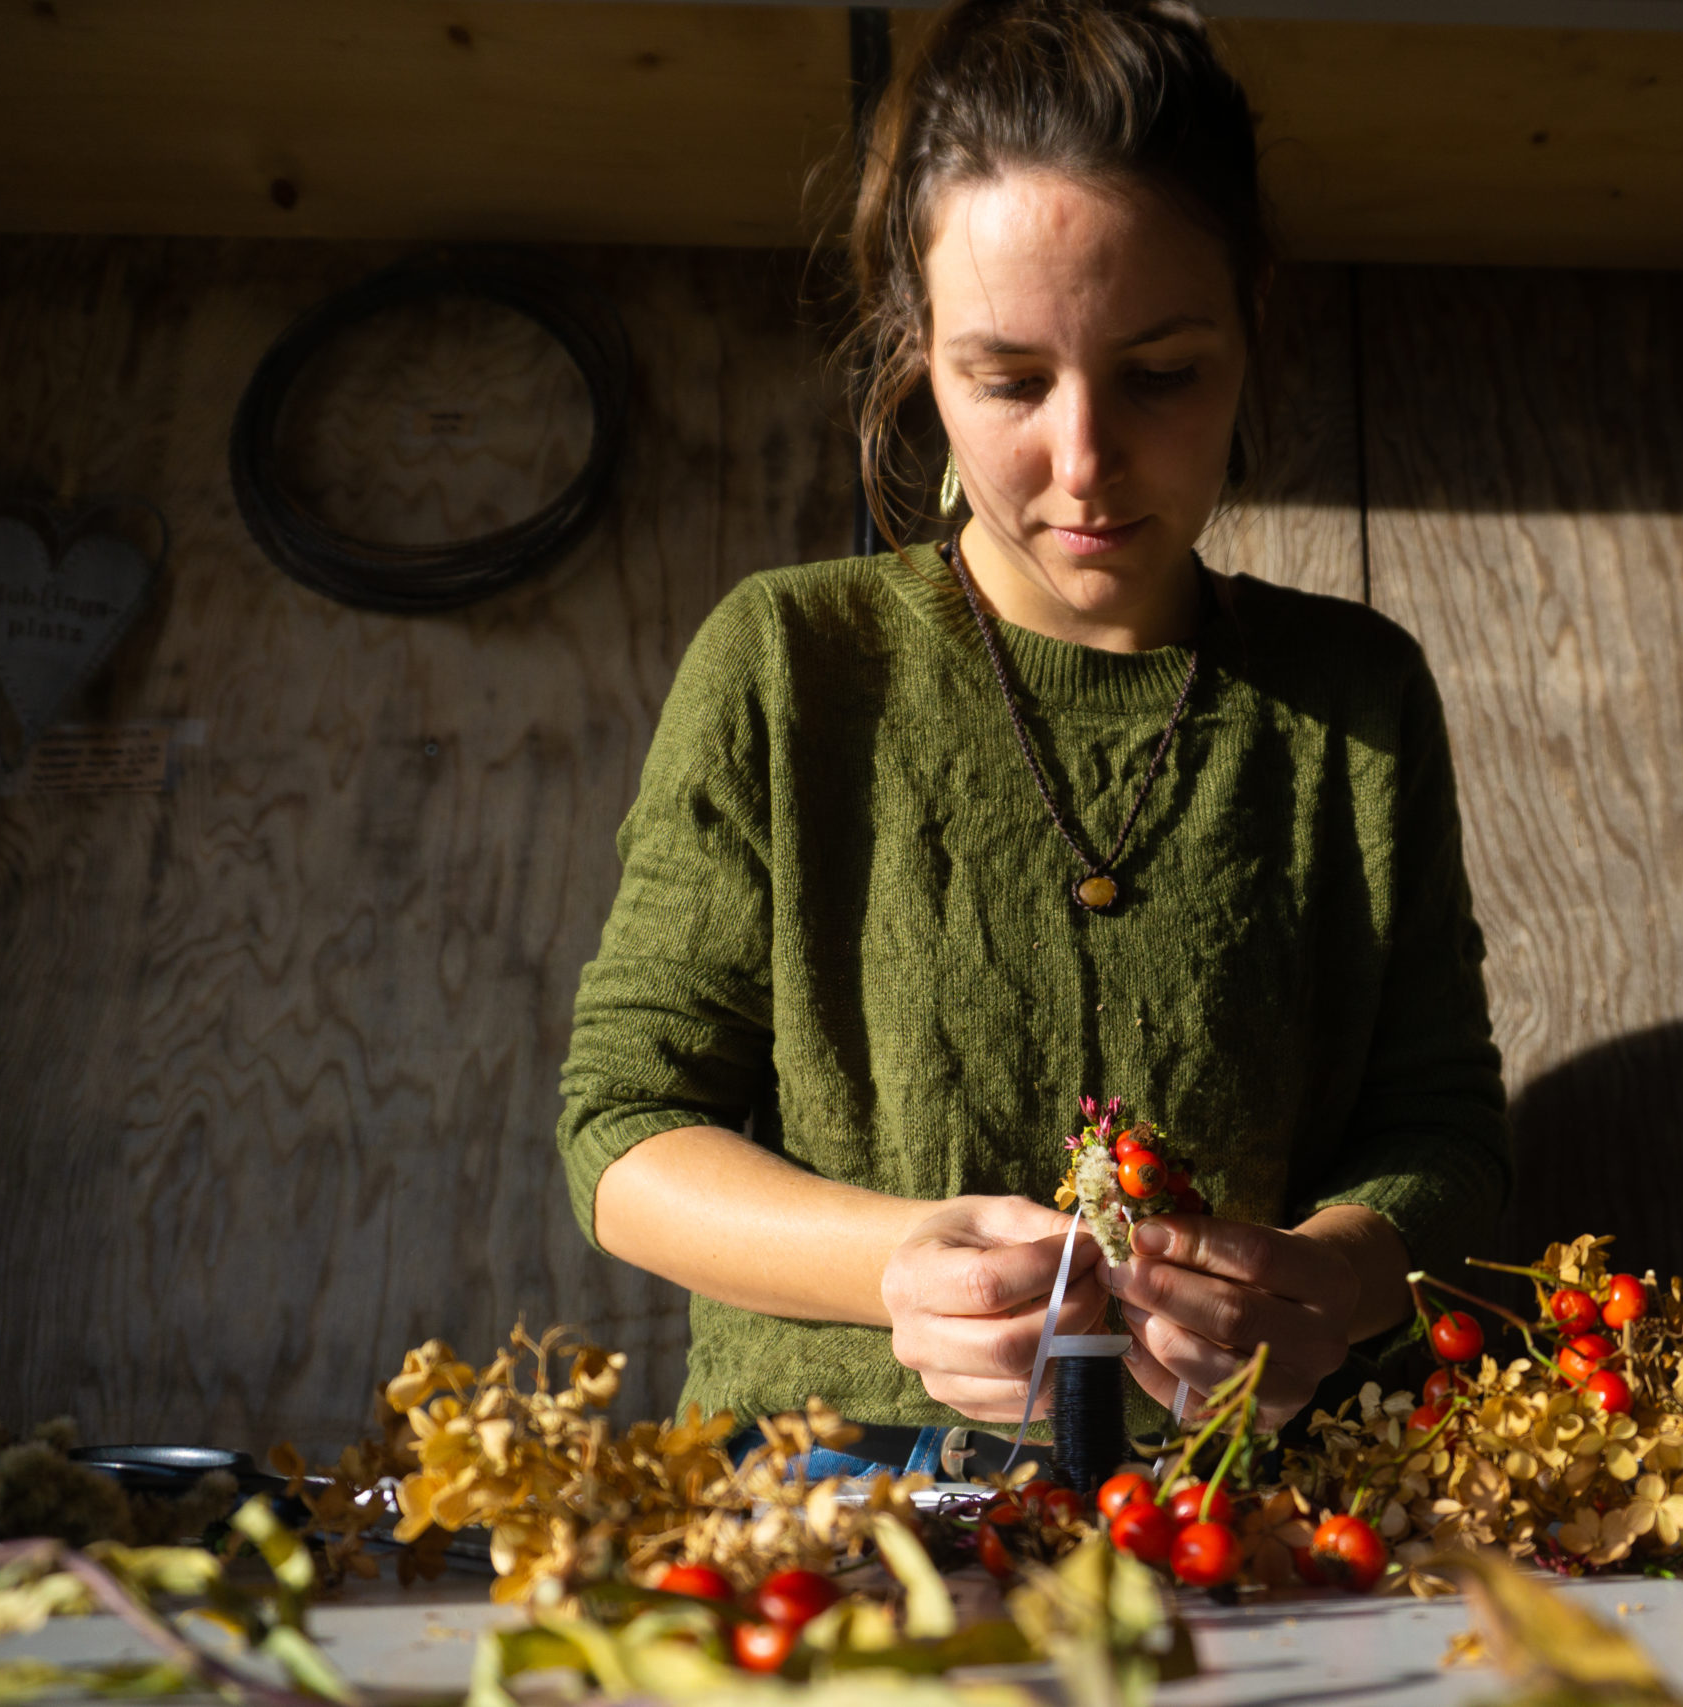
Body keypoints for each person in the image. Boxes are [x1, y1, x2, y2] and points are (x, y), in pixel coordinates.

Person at [555, 0, 1509, 1469]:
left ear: (1254, 318)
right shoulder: (791, 663)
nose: (1084, 460)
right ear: (916, 349)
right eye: (1008, 381)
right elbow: (623, 1133)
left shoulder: (1352, 700)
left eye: (1164, 372)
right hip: (828, 1508)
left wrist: (1328, 1276)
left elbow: (1443, 1138)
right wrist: (895, 1261)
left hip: (1254, 1513)